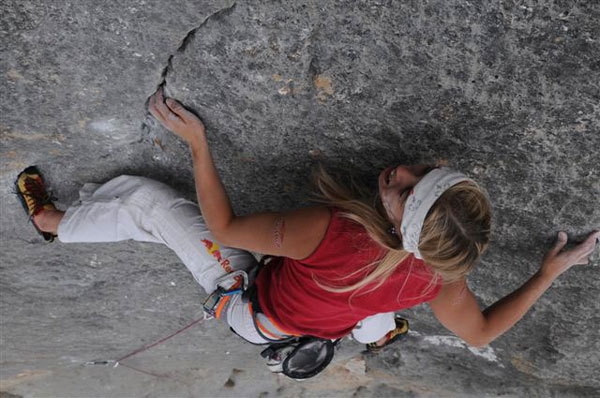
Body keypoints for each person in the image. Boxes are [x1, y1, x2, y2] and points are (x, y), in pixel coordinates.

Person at [16, 88, 600, 354]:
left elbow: (222, 229)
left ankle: (52, 223)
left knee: (148, 205)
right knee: (373, 307)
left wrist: (197, 141)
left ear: (400, 229)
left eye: (404, 191)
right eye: (421, 172)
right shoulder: (439, 277)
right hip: (339, 313)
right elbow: (478, 332)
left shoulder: (332, 231)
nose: (397, 172)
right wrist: (548, 273)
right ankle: (377, 329)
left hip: (255, 309)